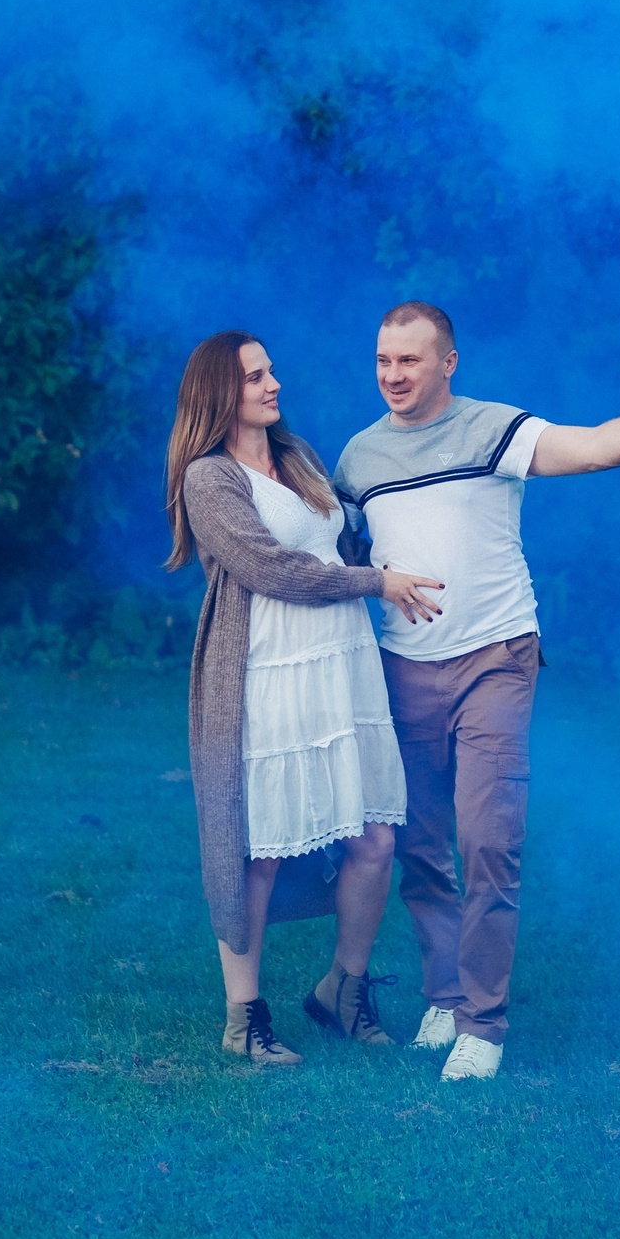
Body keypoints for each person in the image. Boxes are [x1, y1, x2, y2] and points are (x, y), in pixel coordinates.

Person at [333, 301, 620, 1082]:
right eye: (384, 360)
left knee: (488, 838)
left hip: (495, 658)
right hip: (403, 668)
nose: (393, 374)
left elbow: (591, 449)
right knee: (421, 847)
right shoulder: (357, 457)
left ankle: (482, 1024)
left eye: (410, 360)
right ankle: (445, 994)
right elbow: (342, 557)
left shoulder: (493, 428)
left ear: (448, 362)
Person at [167, 330, 449, 1066]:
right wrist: (375, 583)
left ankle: (342, 991)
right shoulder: (210, 477)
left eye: (271, 370)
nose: (274, 383)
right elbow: (274, 569)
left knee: (374, 837)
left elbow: (341, 543)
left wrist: (388, 563)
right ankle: (244, 1017)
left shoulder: (298, 458)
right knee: (257, 849)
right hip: (269, 671)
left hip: (342, 665)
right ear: (220, 393)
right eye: (256, 376)